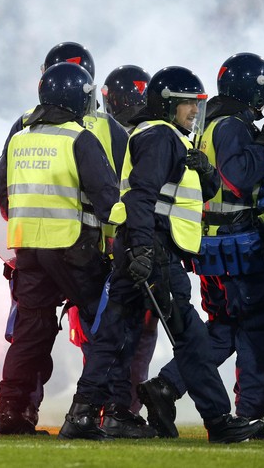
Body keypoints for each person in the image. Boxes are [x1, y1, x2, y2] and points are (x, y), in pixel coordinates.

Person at [105, 66, 264, 443]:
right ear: (167, 105)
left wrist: (206, 170)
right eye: (188, 104)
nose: (195, 111)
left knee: (117, 334)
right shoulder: (161, 137)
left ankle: (106, 412)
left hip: (142, 246)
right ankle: (219, 421)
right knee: (191, 337)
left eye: (197, 103)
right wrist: (144, 248)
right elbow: (143, 199)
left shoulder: (170, 137)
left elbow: (194, 192)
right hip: (154, 248)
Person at [136, 53, 264, 440]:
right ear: (250, 87)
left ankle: (166, 387)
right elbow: (237, 176)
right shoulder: (233, 125)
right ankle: (249, 414)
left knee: (222, 330)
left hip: (210, 245)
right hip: (239, 245)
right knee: (255, 329)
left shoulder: (206, 123)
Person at [0, 42, 134, 435]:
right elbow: (109, 199)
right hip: (76, 248)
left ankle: (7, 413)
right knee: (103, 326)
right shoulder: (81, 136)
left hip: (27, 249)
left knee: (29, 333)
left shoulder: (21, 134)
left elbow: (4, 196)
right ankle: (93, 412)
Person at [101, 64, 157, 417]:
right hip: (137, 245)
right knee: (138, 334)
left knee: (105, 333)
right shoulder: (153, 134)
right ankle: (125, 408)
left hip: (99, 244)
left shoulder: (95, 130)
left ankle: (104, 405)